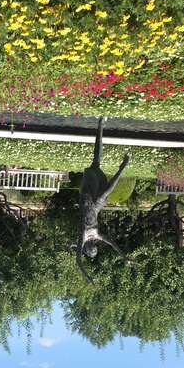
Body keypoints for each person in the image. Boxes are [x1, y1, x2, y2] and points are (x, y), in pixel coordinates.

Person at [77, 117, 132, 282]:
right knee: (108, 190)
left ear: (87, 248)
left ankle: (101, 125)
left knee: (96, 162)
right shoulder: (97, 235)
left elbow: (78, 261)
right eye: (95, 248)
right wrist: (124, 257)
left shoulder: (82, 237)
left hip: (87, 200)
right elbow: (113, 244)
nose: (94, 246)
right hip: (96, 207)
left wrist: (87, 276)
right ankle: (124, 165)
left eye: (91, 249)